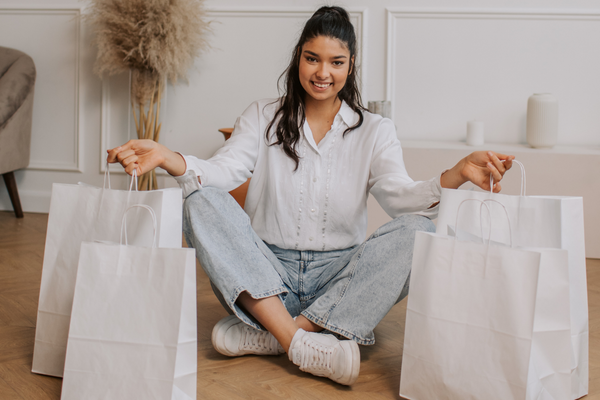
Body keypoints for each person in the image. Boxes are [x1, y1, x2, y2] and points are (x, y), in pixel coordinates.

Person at [108, 6, 514, 386]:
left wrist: (457, 174)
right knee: (201, 201)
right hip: (267, 273)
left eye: (336, 62)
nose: (323, 72)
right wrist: (168, 156)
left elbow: (402, 199)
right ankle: (303, 339)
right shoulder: (261, 115)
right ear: (297, 59)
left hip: (339, 276)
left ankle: (276, 334)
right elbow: (222, 171)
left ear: (350, 65)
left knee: (418, 231)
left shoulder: (375, 130)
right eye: (312, 58)